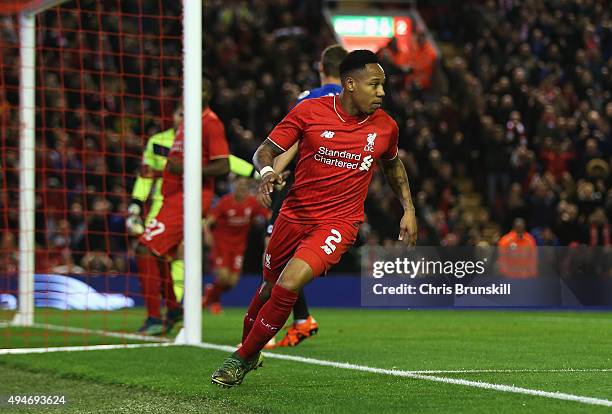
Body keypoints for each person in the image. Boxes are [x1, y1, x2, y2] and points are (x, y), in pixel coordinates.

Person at [211, 50, 417, 387]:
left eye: (384, 86)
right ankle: (250, 348)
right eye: (375, 85)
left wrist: (408, 208)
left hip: (339, 222)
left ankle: (241, 358)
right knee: (267, 288)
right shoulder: (309, 111)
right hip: (294, 215)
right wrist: (265, 172)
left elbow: (392, 164)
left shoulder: (385, 127)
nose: (382, 92)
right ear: (350, 84)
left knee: (289, 283)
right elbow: (265, 150)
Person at [264, 43, 348, 348]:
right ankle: (301, 320)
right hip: (344, 194)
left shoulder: (309, 98)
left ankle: (271, 325)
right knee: (293, 256)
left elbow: (292, 139)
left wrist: (272, 171)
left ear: (320, 67)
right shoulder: (355, 101)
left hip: (303, 190)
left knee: (275, 255)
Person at [135, 79, 230, 335]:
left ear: (207, 93)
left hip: (188, 200)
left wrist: (187, 169)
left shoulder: (210, 123)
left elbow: (223, 166)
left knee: (144, 249)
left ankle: (156, 317)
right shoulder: (187, 123)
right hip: (172, 197)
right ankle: (173, 308)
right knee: (158, 253)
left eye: (199, 88)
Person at [202, 176, 270, 314]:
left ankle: (210, 293)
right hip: (221, 244)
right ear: (234, 187)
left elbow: (268, 215)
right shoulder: (225, 202)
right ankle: (211, 301)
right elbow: (208, 222)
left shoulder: (252, 203)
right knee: (223, 277)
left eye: (244, 186)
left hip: (239, 247)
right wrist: (207, 234)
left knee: (232, 282)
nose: (242, 189)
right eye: (239, 186)